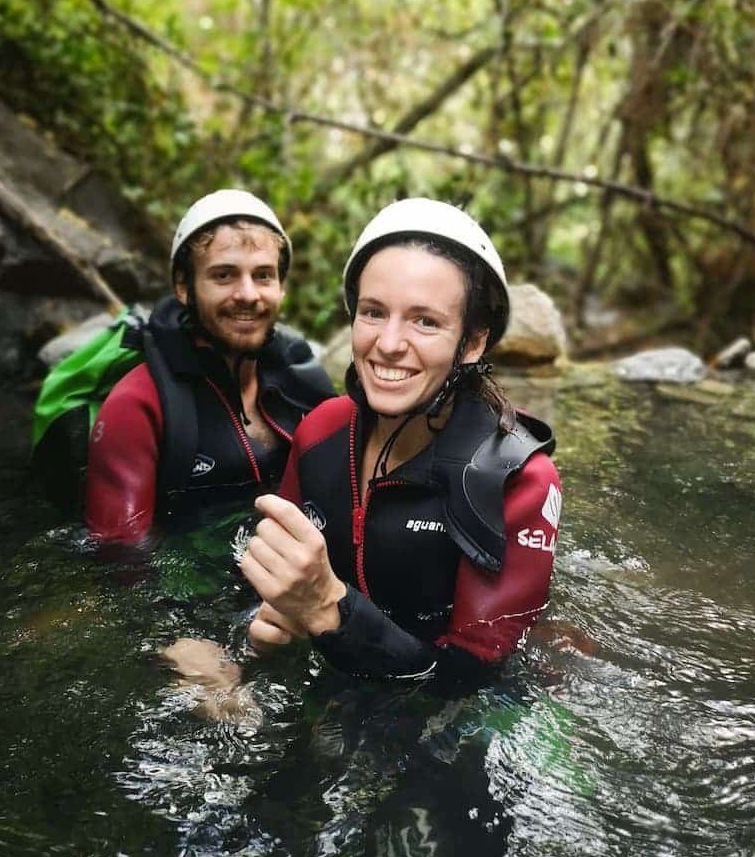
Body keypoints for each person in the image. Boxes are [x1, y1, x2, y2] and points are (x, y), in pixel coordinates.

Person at [238, 198, 562, 682]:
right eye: (373, 313)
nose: (388, 344)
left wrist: (330, 609)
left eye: (425, 321)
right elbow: (258, 578)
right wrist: (249, 637)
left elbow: (475, 679)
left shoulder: (518, 480)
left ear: (472, 342)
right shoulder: (321, 431)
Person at [85, 189, 335, 544]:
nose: (248, 294)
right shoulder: (137, 407)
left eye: (263, 276)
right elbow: (120, 560)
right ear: (184, 287)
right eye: (224, 276)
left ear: (281, 289)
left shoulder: (301, 382)